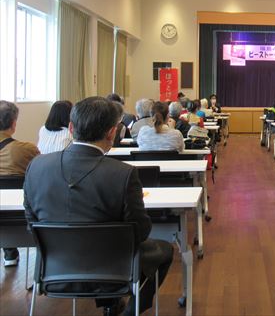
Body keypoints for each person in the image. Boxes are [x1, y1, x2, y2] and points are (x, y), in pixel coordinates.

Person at [23, 97, 173, 316]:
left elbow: (31, 221)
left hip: (55, 269)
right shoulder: (123, 174)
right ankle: (129, 311)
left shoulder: (36, 166)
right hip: (115, 270)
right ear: (112, 132)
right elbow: (140, 231)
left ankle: (111, 304)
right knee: (165, 250)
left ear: (71, 128)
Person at [0, 100, 40, 267]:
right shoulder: (27, 150)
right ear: (14, 123)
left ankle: (9, 252)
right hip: (21, 215)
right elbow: (39, 173)